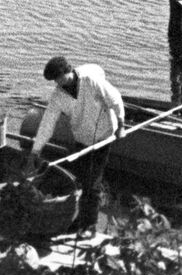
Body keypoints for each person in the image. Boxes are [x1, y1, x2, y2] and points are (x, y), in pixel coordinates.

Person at [28, 56, 124, 233]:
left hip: (103, 135)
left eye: (59, 78)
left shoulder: (90, 81)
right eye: (55, 81)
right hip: (81, 137)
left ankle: (89, 224)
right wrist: (36, 150)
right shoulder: (58, 95)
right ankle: (84, 217)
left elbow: (115, 99)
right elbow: (48, 123)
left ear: (68, 71)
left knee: (92, 181)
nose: (58, 83)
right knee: (83, 178)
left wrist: (121, 124)